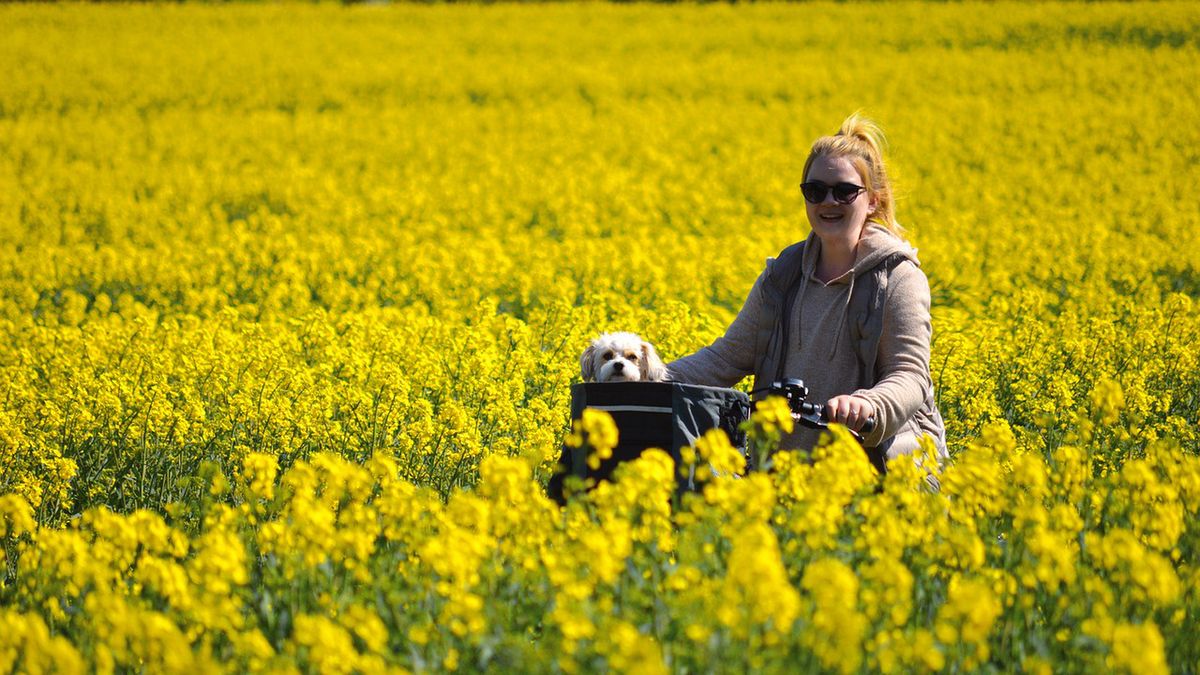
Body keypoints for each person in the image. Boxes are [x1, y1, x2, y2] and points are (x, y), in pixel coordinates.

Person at [667, 113, 947, 471]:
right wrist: (644, 376)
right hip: (785, 479)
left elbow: (909, 374)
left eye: (845, 191)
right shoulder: (783, 275)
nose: (828, 201)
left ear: (873, 200)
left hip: (880, 476)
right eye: (815, 191)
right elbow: (725, 359)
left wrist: (869, 406)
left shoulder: (896, 276)